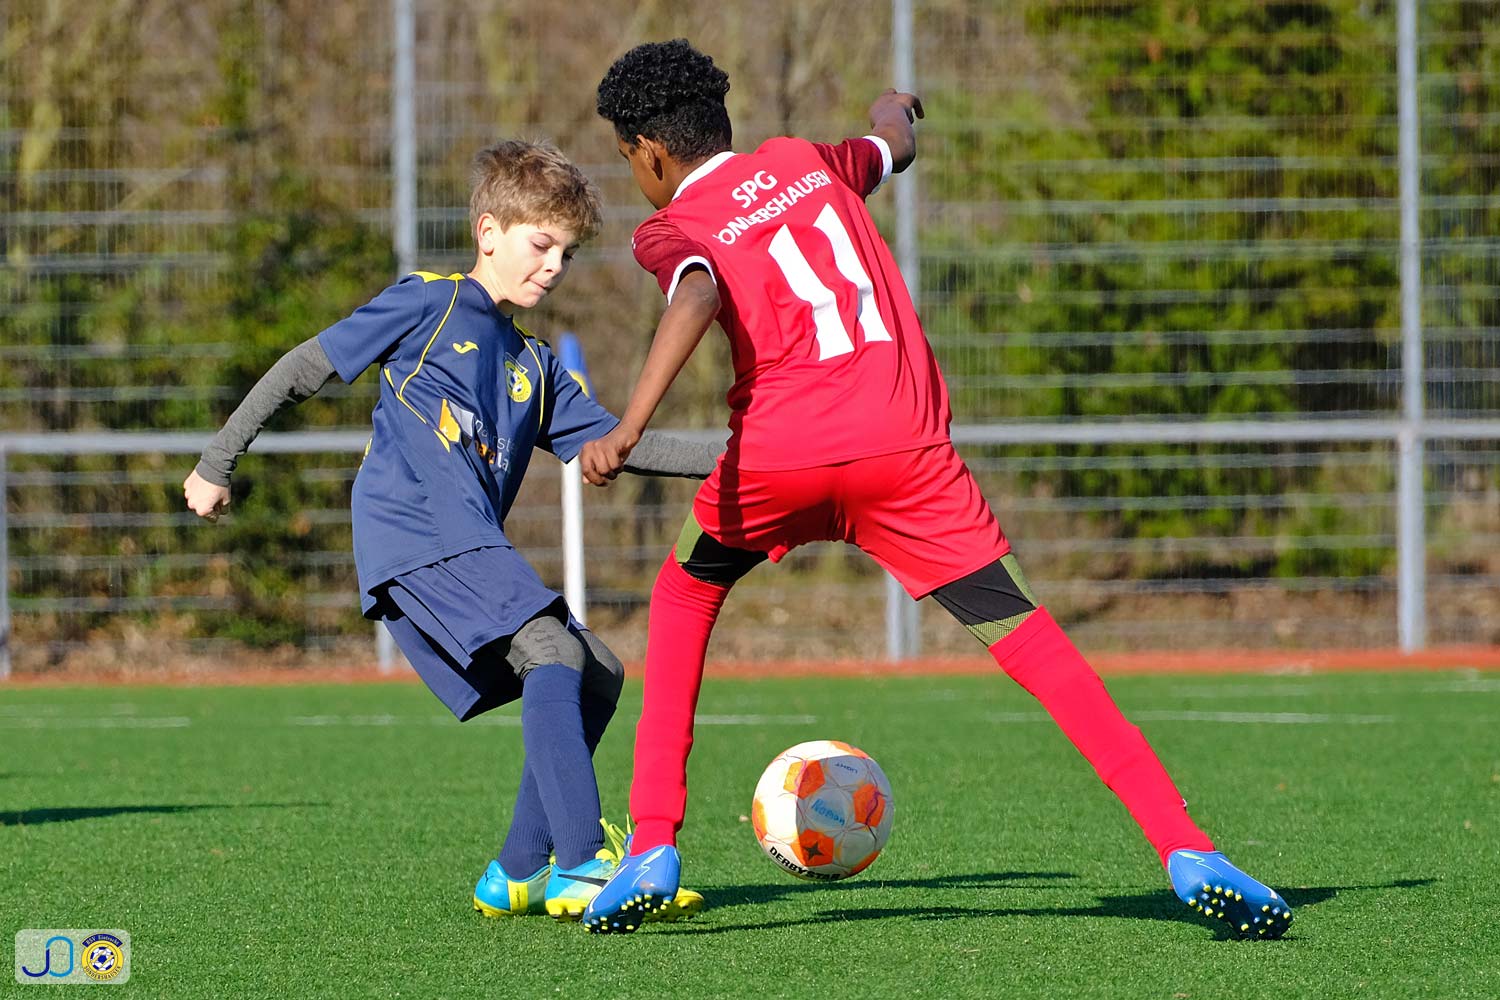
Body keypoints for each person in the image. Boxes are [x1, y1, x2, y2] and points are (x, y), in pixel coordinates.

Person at [578, 39, 1292, 938]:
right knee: (1032, 641)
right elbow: (893, 147)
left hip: (780, 458)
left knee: (685, 593)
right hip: (905, 452)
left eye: (627, 157)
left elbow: (694, 293)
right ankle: (1186, 847)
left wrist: (630, 426)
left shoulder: (671, 225)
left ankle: (651, 843)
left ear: (648, 150)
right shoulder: (806, 161)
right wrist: (893, 109)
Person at [183, 138, 714, 926]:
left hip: (466, 543)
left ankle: (518, 870)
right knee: (552, 648)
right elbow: (303, 367)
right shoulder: (428, 303)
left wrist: (751, 456)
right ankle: (581, 864)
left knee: (598, 672)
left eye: (567, 254)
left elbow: (622, 445)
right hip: (415, 532)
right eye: (541, 244)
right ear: (489, 232)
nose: (554, 267)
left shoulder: (535, 365)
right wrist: (216, 461)